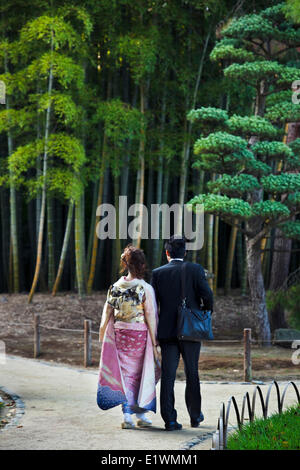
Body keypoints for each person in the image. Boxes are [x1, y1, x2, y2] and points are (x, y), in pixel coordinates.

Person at [151, 236, 213, 431]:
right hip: (191, 329)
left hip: (167, 332)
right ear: (185, 252)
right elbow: (208, 296)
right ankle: (195, 417)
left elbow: (153, 306)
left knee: (168, 375)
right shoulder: (195, 269)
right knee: (192, 372)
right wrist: (203, 311)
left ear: (167, 253)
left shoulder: (157, 273)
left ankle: (169, 420)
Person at [97, 244, 160, 429]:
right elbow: (150, 316)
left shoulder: (115, 286)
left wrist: (103, 335)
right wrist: (155, 343)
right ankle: (141, 414)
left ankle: (128, 416)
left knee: (125, 376)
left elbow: (107, 313)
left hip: (120, 334)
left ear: (125, 264)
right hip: (139, 335)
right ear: (141, 265)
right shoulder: (145, 288)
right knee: (141, 374)